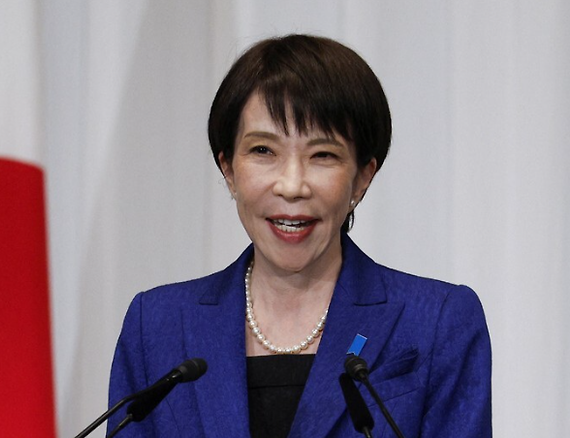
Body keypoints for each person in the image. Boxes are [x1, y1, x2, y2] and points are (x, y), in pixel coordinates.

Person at [108, 34, 491, 437]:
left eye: (323, 155)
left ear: (362, 177)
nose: (292, 186)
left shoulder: (437, 321)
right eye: (263, 151)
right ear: (229, 169)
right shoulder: (157, 326)